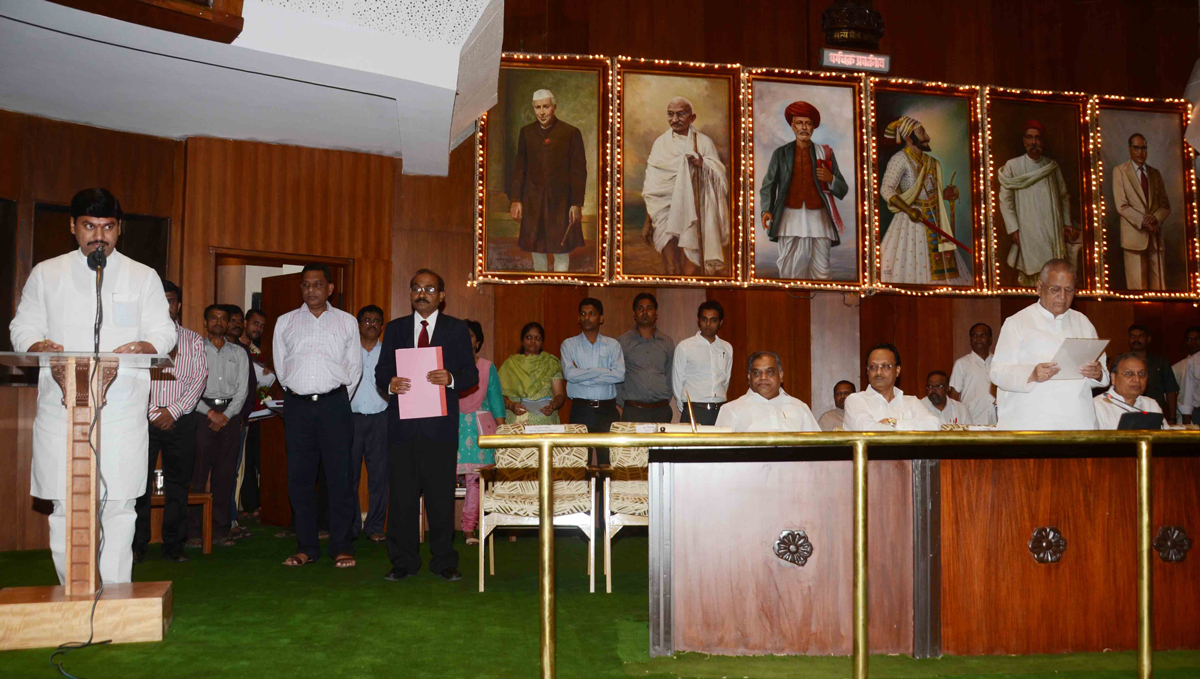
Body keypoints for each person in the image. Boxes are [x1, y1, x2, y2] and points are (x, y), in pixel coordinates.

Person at [9, 188, 176, 585]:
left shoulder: (142, 276)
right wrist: (37, 345)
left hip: (120, 410)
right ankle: (75, 592)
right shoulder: (47, 273)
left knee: (119, 503)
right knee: (66, 504)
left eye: (107, 227)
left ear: (119, 230)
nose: (98, 236)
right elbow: (23, 327)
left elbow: (163, 332)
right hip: (63, 409)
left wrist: (148, 345)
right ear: (72, 227)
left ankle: (116, 594)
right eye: (89, 226)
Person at [376, 269, 477, 582]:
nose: (422, 293)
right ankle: (402, 562)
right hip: (402, 428)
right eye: (416, 288)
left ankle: (444, 561)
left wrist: (451, 379)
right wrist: (390, 384)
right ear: (410, 293)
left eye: (430, 288)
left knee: (440, 497)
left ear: (442, 296)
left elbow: (470, 375)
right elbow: (381, 373)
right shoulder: (394, 329)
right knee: (402, 498)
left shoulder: (457, 329)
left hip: (439, 429)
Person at [273, 263, 363, 568]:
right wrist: (302, 397)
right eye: (305, 285)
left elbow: (354, 368)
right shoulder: (285, 322)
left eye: (317, 284)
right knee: (300, 478)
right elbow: (281, 369)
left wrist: (334, 400)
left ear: (330, 289)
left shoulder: (347, 322)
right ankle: (306, 547)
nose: (311, 290)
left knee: (340, 478)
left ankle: (341, 546)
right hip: (297, 407)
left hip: (335, 406)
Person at [133, 280, 206, 564]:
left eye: (172, 301)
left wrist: (173, 411)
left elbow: (198, 380)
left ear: (178, 305)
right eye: (160, 301)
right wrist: (154, 412)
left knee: (179, 484)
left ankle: (174, 546)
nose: (166, 306)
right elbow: (131, 380)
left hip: (181, 421)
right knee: (138, 484)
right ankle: (137, 546)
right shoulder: (138, 342)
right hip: (142, 419)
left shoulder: (193, 340)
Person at [991, 259, 1109, 430]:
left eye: (1069, 290)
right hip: (1031, 423)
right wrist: (1031, 374)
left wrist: (1097, 374)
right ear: (1039, 288)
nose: (1062, 297)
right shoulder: (1018, 322)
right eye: (1055, 289)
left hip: (1077, 421)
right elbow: (997, 373)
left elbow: (1102, 374)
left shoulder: (1083, 323)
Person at [641, 96, 731, 276]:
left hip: (694, 212)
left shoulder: (704, 142)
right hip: (664, 214)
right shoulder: (660, 144)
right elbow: (652, 190)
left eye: (680, 114)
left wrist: (703, 164)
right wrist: (647, 222)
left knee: (690, 270)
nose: (674, 120)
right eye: (670, 114)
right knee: (671, 267)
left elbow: (720, 177)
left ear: (692, 117)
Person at [759, 101, 848, 280]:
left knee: (822, 270)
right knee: (790, 269)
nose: (804, 127)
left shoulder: (825, 153)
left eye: (808, 123)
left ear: (814, 127)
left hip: (820, 217)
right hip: (789, 217)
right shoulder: (780, 153)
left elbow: (843, 189)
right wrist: (766, 210)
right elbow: (769, 184)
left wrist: (830, 179)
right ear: (792, 126)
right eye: (799, 123)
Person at [879, 116, 970, 285]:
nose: (927, 136)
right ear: (908, 137)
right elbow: (886, 189)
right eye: (921, 133)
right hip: (910, 221)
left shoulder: (932, 162)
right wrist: (908, 210)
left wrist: (946, 194)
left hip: (935, 220)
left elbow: (929, 192)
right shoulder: (899, 159)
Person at [508, 89, 587, 272]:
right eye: (537, 108)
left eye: (546, 107)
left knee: (561, 251)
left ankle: (559, 286)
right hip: (533, 202)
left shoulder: (571, 132)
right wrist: (516, 200)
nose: (541, 112)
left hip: (562, 203)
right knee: (537, 250)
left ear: (554, 107)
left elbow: (579, 172)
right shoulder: (526, 133)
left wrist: (576, 203)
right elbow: (520, 169)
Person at [189, 305, 249, 548]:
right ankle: (194, 532)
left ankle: (221, 530)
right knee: (197, 475)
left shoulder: (239, 353)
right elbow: (188, 387)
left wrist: (227, 415)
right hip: (201, 413)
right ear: (205, 322)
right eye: (213, 318)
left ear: (228, 324)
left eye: (223, 319)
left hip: (230, 416)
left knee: (225, 476)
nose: (218, 322)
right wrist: (210, 414)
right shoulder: (195, 351)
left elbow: (243, 390)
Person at [998, 120, 1079, 286]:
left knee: (1052, 274)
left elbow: (1063, 196)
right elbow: (1005, 200)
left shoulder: (1051, 166)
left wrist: (1066, 223)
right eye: (1030, 137)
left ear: (1042, 142)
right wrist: (1013, 228)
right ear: (1024, 141)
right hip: (1028, 230)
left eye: (1037, 138)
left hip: (1052, 229)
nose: (1034, 142)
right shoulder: (1013, 165)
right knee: (1030, 275)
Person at [456, 320, 506, 546]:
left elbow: (496, 400)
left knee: (475, 480)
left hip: (480, 429)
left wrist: (502, 431)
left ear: (479, 341)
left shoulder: (487, 367)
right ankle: (442, 530)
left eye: (471, 335)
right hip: (453, 427)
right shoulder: (449, 365)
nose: (466, 340)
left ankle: (468, 529)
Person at [560, 297, 625, 463]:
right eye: (583, 313)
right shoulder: (569, 345)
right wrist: (603, 371)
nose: (586, 317)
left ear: (601, 318)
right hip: (581, 410)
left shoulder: (613, 345)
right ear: (578, 318)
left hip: (607, 410)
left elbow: (619, 375)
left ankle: (605, 491)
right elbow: (569, 375)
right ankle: (585, 490)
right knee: (580, 463)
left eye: (592, 314)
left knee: (608, 463)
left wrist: (583, 374)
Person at [349, 305, 390, 543]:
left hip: (380, 419)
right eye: (366, 320)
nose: (371, 324)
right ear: (358, 324)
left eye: (376, 321)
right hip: (351, 419)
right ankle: (352, 525)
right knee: (349, 476)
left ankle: (375, 526)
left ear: (382, 326)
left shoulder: (388, 354)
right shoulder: (348, 352)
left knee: (379, 476)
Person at [1112, 134, 1170, 290]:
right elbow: (1121, 205)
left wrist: (1155, 219)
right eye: (1136, 148)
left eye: (1144, 148)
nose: (1140, 152)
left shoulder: (1155, 173)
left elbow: (1165, 205)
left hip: (1155, 238)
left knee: (1160, 290)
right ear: (1130, 149)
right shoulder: (1120, 171)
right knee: (1138, 290)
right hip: (1134, 238)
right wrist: (1145, 221)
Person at [844, 343, 940, 431]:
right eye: (873, 367)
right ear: (867, 371)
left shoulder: (912, 402)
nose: (878, 372)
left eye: (885, 366)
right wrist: (910, 427)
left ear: (897, 371)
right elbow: (868, 431)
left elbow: (934, 425)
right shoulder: (855, 400)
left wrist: (893, 422)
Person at [715, 352, 820, 432]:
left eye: (770, 372)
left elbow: (817, 449)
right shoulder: (730, 410)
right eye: (757, 373)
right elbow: (719, 453)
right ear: (749, 377)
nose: (763, 377)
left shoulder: (800, 408)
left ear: (780, 376)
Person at [220, 303, 256, 539]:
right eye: (232, 320)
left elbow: (248, 388)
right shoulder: (209, 348)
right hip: (209, 416)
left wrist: (240, 416)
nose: (236, 324)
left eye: (239, 320)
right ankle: (212, 523)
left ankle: (230, 519)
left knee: (233, 471)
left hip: (237, 420)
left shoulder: (244, 351)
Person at [671, 300, 732, 425]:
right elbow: (677, 382)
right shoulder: (685, 346)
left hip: (720, 410)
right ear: (698, 321)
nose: (708, 324)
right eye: (704, 319)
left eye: (713, 320)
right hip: (694, 410)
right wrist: (687, 408)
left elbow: (726, 380)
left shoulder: (727, 347)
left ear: (720, 323)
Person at [617, 293, 675, 424]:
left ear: (656, 314)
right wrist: (622, 405)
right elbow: (617, 377)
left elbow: (671, 375)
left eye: (649, 308)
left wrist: (664, 399)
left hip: (661, 410)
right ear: (634, 314)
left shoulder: (667, 342)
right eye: (640, 308)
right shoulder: (622, 342)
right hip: (633, 411)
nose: (645, 312)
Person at [498, 322, 567, 425]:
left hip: (545, 425)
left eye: (537, 338)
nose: (533, 341)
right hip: (517, 423)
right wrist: (511, 405)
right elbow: (499, 394)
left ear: (542, 342)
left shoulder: (551, 363)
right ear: (522, 340)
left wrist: (553, 406)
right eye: (529, 337)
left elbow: (560, 394)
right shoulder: (510, 364)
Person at [239, 308, 272, 515]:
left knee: (256, 459)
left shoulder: (261, 352)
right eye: (255, 323)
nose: (258, 328)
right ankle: (245, 506)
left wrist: (268, 375)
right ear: (245, 322)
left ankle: (257, 506)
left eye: (261, 326)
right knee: (241, 463)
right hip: (236, 413)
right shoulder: (233, 346)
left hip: (258, 415)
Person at [1094, 354, 1165, 430]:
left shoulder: (1151, 404)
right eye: (1129, 373)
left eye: (1142, 374)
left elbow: (1165, 437)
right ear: (1113, 378)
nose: (1137, 379)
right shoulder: (1097, 405)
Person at [949, 322, 998, 425]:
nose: (978, 339)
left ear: (990, 340)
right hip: (971, 422)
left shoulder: (998, 363)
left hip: (997, 422)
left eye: (983, 335)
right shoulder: (962, 364)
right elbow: (953, 396)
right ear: (970, 340)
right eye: (974, 336)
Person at [1126, 324, 1178, 420]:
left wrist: (1172, 417)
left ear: (1148, 339)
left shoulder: (1160, 362)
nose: (1136, 339)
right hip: (1127, 412)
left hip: (1155, 413)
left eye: (1140, 336)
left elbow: (1171, 390)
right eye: (1132, 336)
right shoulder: (1121, 363)